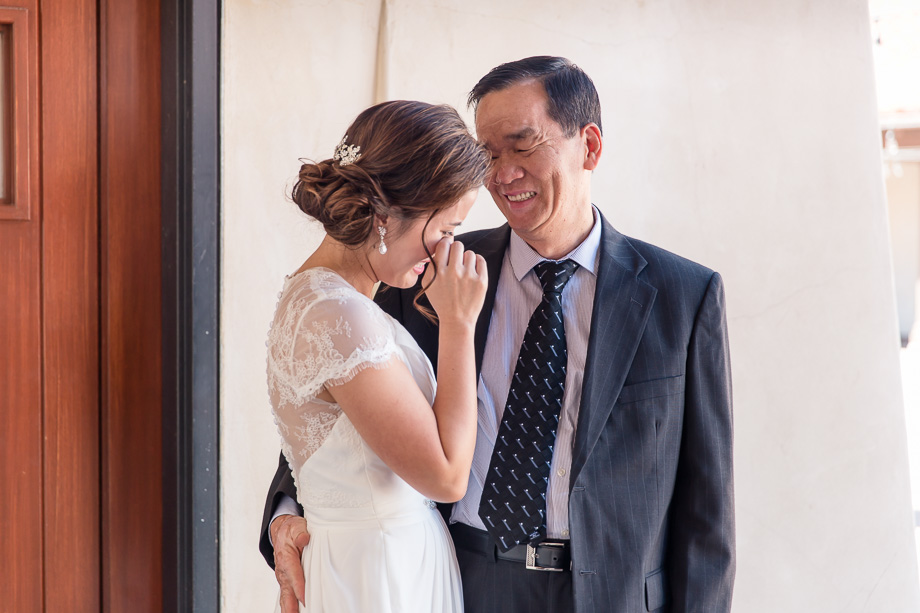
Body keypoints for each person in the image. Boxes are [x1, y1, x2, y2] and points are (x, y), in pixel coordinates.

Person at [262, 56, 736, 612]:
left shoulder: (684, 296)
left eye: (523, 145)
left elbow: (707, 508)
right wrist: (287, 512)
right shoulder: (423, 267)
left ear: (589, 146)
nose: (502, 174)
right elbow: (337, 405)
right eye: (488, 154)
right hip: (462, 584)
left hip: (613, 596)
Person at [264, 99, 490, 612]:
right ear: (385, 214)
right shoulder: (337, 313)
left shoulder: (327, 298)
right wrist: (459, 324)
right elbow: (447, 477)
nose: (447, 252)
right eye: (446, 230)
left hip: (383, 559)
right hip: (380, 574)